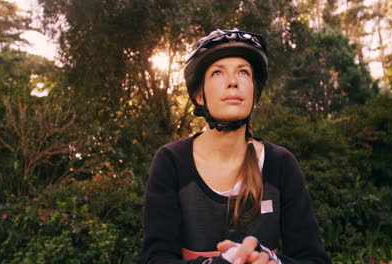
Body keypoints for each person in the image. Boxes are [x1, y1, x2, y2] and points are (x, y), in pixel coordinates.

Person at [141, 29, 331, 264]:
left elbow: (314, 259)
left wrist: (272, 261)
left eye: (243, 72)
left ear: (254, 91)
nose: (233, 82)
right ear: (200, 95)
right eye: (218, 73)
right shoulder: (171, 161)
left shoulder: (280, 163)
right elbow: (156, 258)